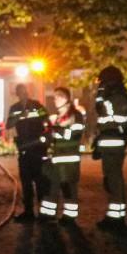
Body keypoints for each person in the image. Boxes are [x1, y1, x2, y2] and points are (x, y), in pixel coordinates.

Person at [93, 65, 127, 227]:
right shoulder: (115, 97)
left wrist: (100, 95)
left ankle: (116, 219)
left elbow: (111, 119)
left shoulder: (116, 98)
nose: (101, 85)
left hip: (113, 143)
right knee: (112, 179)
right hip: (110, 142)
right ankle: (115, 215)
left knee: (113, 180)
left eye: (103, 81)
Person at [40, 86, 85, 222]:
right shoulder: (57, 117)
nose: (55, 100)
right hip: (56, 158)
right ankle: (48, 214)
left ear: (65, 98)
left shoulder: (75, 115)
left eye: (58, 96)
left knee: (68, 187)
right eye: (54, 97)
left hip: (69, 158)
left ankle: (70, 216)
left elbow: (74, 134)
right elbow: (51, 136)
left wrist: (56, 130)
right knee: (51, 185)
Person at [6, 83, 49, 222]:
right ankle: (29, 211)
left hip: (37, 147)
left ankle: (43, 211)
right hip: (24, 148)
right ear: (17, 94)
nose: (22, 93)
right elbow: (9, 124)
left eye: (24, 91)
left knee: (40, 180)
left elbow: (46, 118)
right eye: (20, 92)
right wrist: (19, 117)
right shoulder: (14, 108)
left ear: (27, 92)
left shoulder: (36, 105)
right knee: (26, 181)